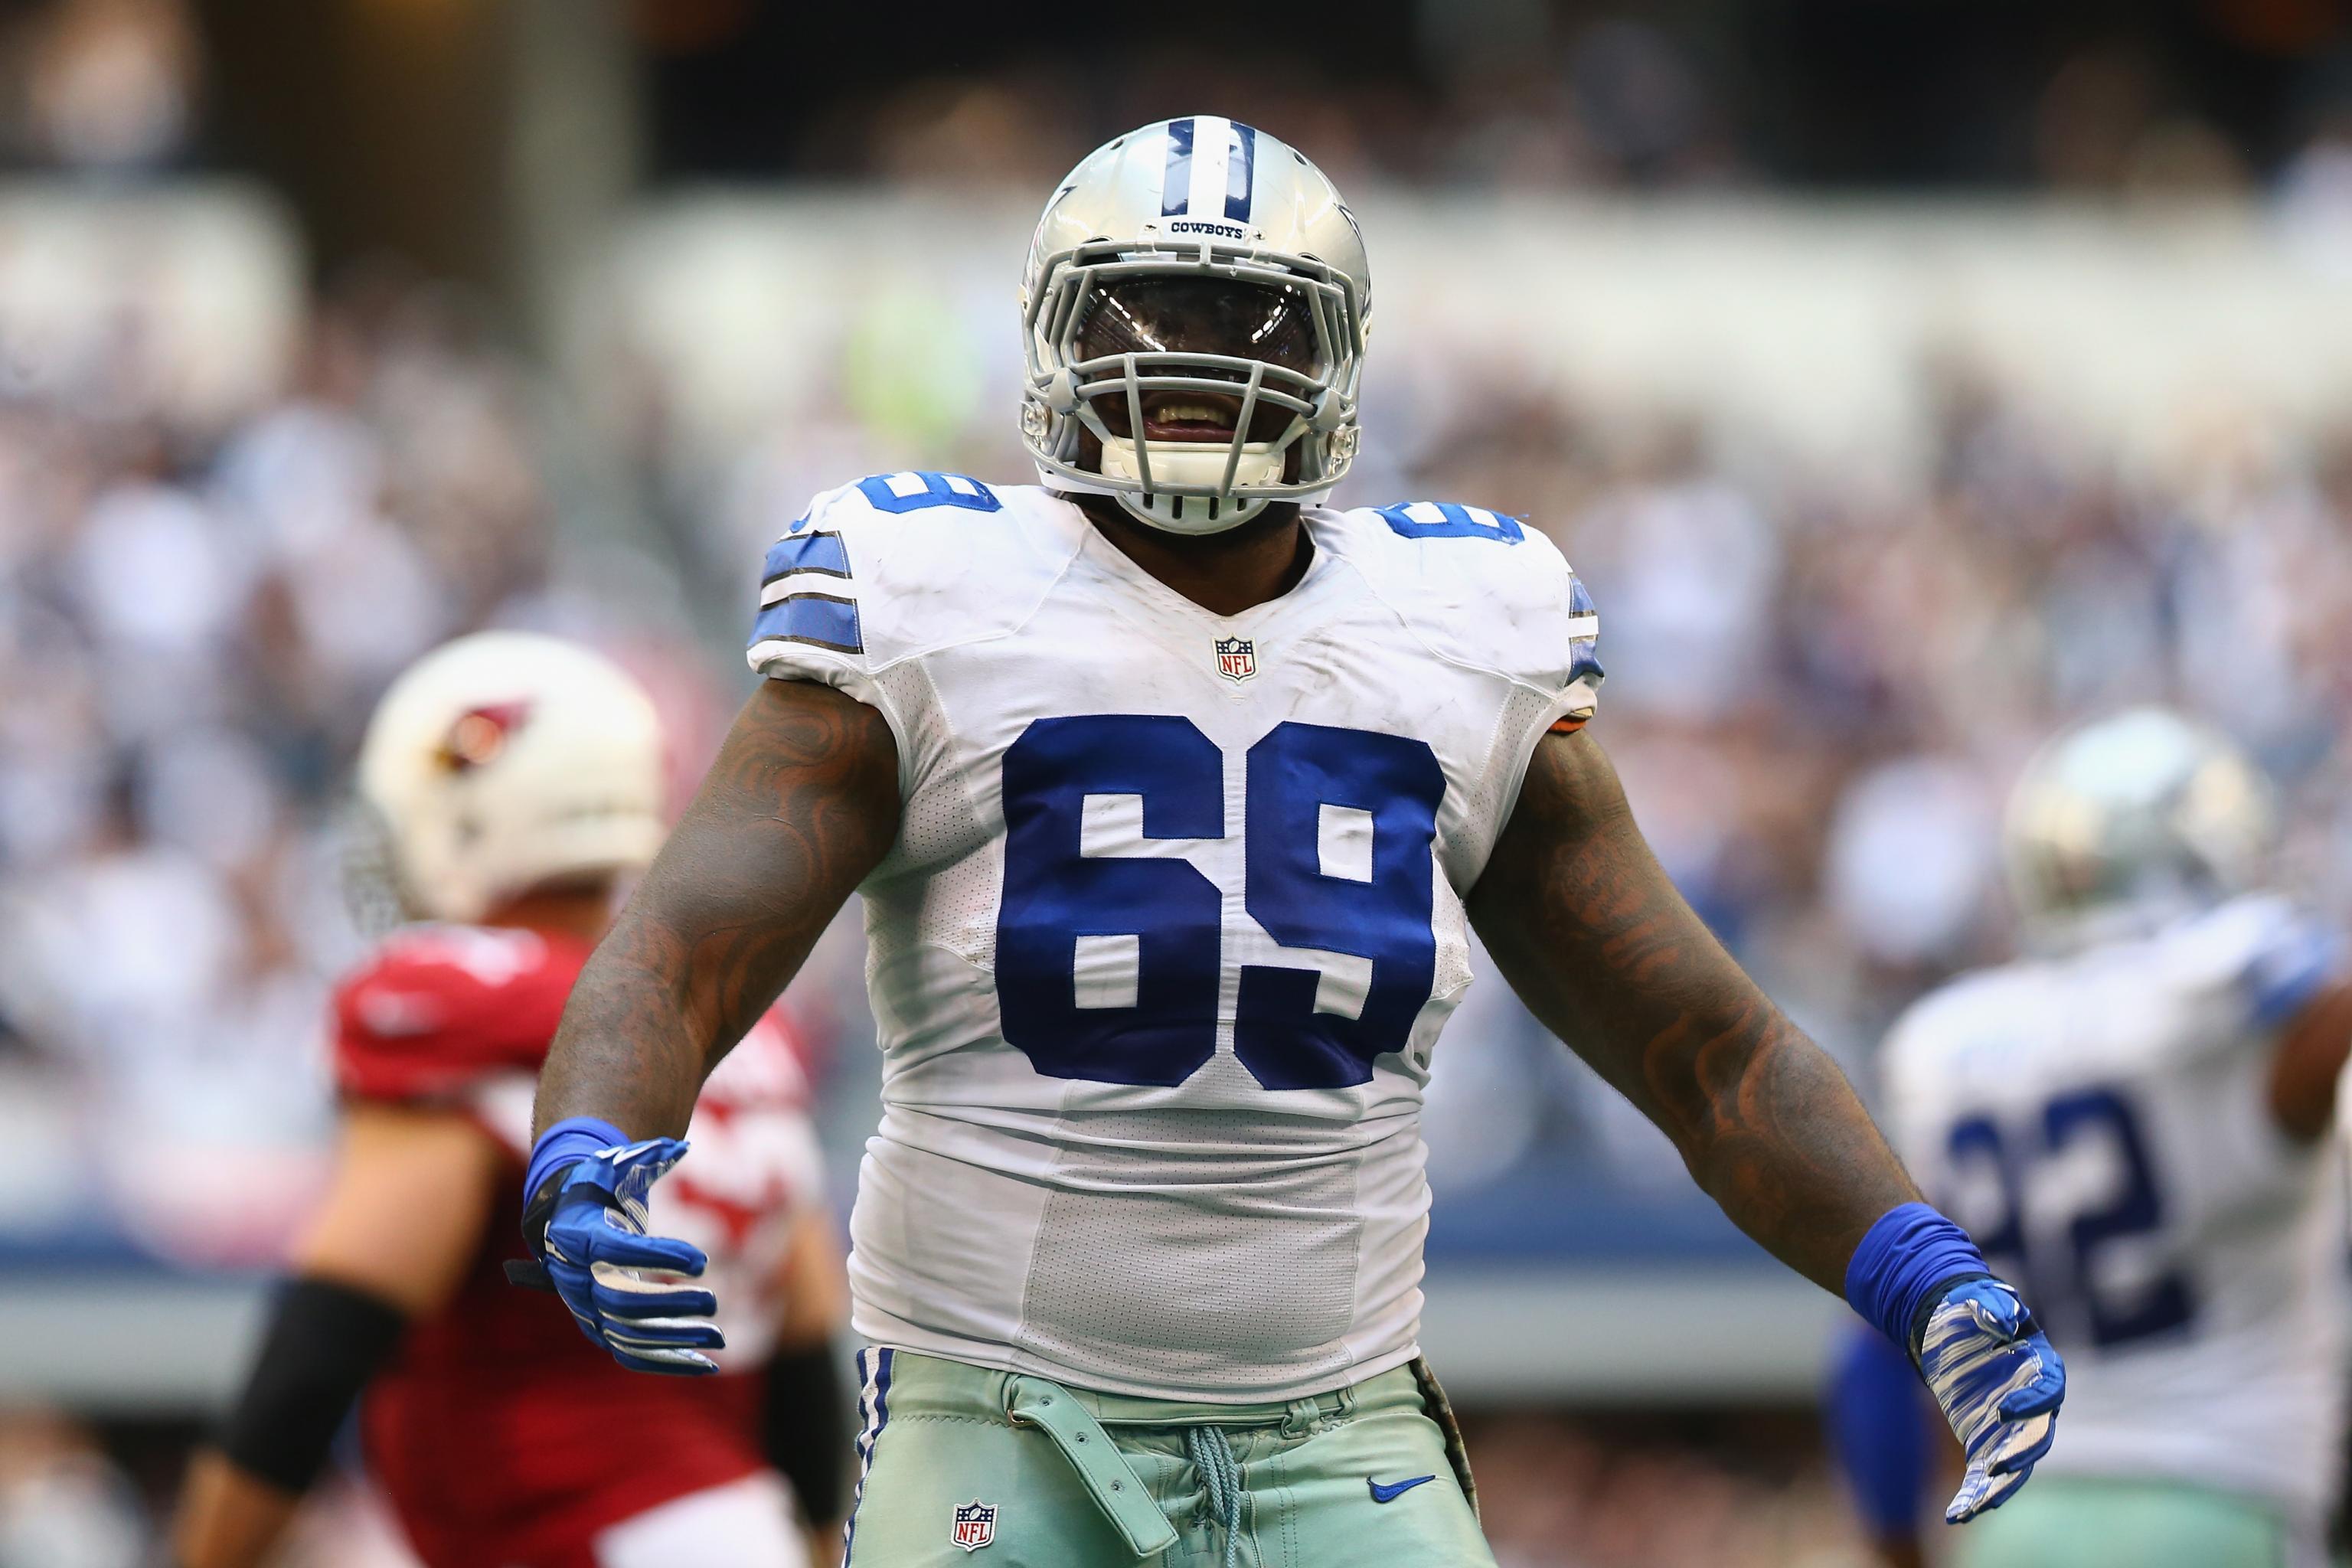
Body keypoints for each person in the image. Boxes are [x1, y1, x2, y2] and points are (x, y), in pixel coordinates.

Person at [515, 119, 2063, 1566]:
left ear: (1340, 360)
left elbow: (1699, 1044)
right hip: (1000, 1415)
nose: (1190, 360)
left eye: (1246, 320)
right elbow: (682, 946)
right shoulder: (930, 591)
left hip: (1347, 1432)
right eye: (1144, 312)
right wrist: (591, 1130)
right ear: (1056, 336)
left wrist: (1915, 1264)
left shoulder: (1459, 627)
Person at [172, 632, 853, 1568]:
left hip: (581, 1532)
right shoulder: (741, 1030)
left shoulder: (459, 1001)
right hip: (738, 1528)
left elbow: (322, 1342)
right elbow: (807, 1364)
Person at [1828, 708, 2351, 1568]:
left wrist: (1897, 1549)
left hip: (2018, 1525)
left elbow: (1873, 1357)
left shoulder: (1945, 1046)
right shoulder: (2229, 998)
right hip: (2222, 1502)